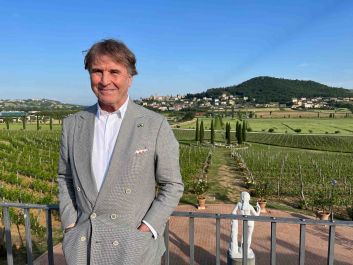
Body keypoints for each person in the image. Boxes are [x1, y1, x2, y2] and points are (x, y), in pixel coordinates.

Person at [58, 39, 184, 265]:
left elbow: (172, 185)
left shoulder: (155, 125)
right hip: (85, 246)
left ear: (130, 77)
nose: (105, 81)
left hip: (133, 248)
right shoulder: (72, 124)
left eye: (114, 72)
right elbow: (65, 178)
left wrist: (147, 229)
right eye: (97, 71)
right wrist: (70, 224)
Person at [228, 191, 260, 259]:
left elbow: (233, 212)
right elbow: (257, 215)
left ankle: (242, 249)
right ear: (248, 198)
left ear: (242, 198)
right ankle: (246, 249)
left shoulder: (239, 204)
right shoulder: (250, 206)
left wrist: (235, 219)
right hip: (251, 222)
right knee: (249, 236)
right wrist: (259, 208)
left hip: (244, 222)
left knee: (244, 235)